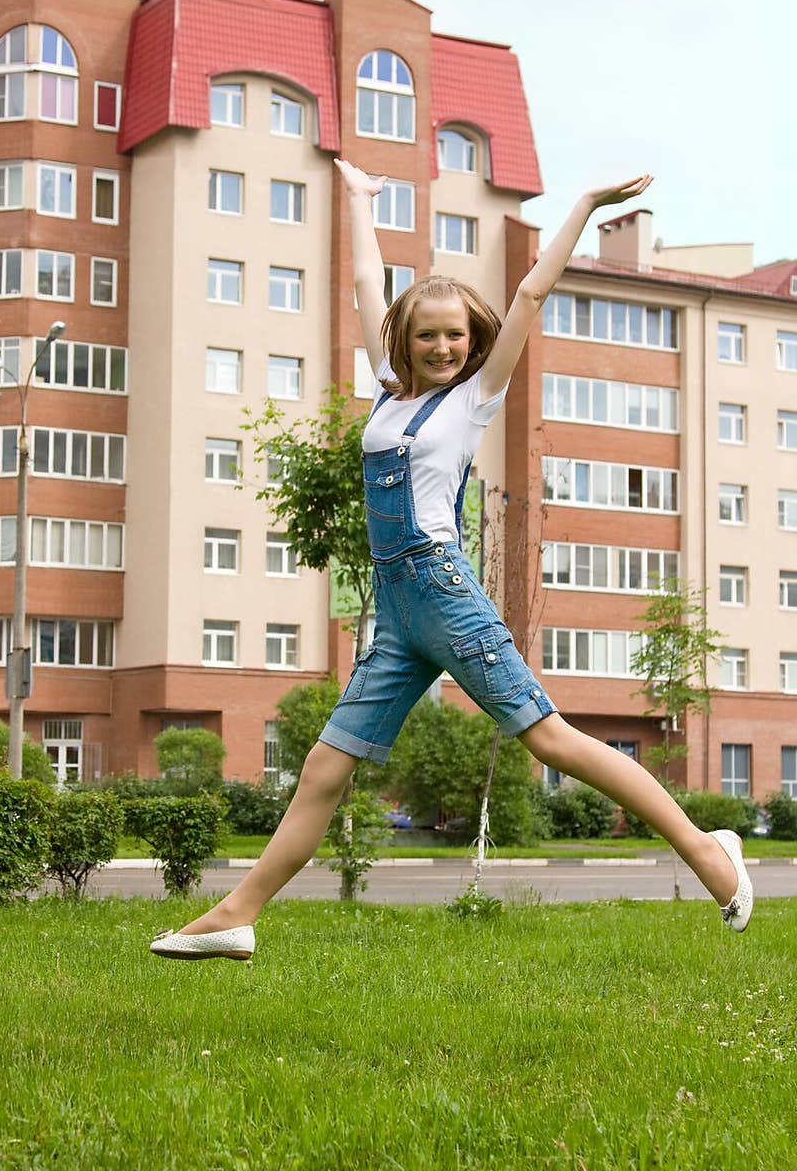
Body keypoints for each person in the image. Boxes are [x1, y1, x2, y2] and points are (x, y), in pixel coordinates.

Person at [150, 158, 753, 960]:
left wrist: (581, 205)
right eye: (427, 334)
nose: (441, 346)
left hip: (443, 590)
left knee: (549, 740)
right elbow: (367, 281)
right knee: (328, 765)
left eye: (454, 336)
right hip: (398, 609)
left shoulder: (475, 398)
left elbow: (532, 292)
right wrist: (360, 200)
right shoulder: (385, 390)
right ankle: (237, 916)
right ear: (407, 338)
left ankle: (708, 850)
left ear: (472, 343)